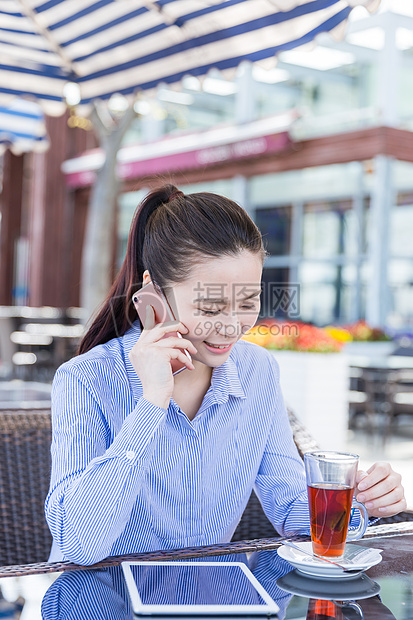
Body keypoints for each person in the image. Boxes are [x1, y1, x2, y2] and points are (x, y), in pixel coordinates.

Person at [45, 184, 406, 565]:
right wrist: (151, 402)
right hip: (99, 597)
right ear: (153, 294)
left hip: (209, 594)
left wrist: (358, 502)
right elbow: (79, 545)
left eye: (248, 302)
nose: (233, 327)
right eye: (212, 307)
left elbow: (288, 509)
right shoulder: (86, 379)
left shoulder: (257, 371)